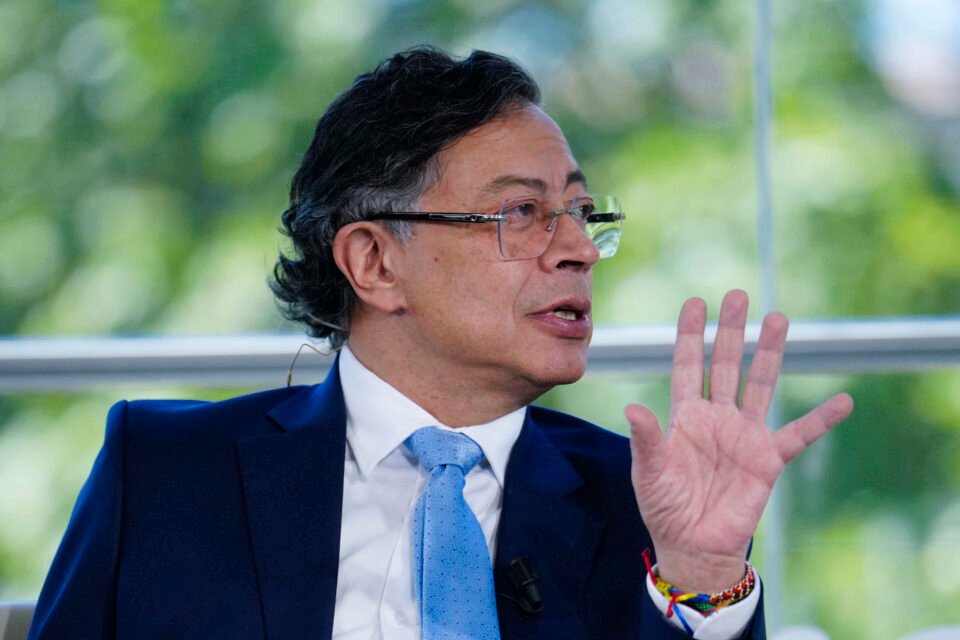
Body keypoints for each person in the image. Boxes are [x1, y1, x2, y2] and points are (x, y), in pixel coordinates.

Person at [27, 47, 853, 640]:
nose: (577, 249)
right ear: (375, 263)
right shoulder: (165, 470)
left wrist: (701, 582)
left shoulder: (640, 502)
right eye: (522, 213)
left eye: (581, 213)